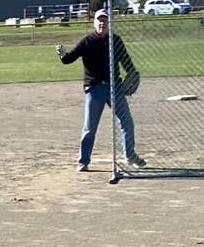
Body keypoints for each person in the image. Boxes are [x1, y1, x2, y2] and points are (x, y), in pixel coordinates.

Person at [58, 11, 147, 171]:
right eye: (99, 21)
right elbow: (69, 59)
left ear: (109, 23)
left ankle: (130, 155)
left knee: (127, 122)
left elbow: (127, 62)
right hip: (95, 88)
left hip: (115, 87)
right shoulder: (87, 41)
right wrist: (63, 55)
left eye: (105, 21)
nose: (102, 24)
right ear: (94, 23)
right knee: (90, 127)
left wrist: (132, 75)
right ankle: (83, 161)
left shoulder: (115, 40)